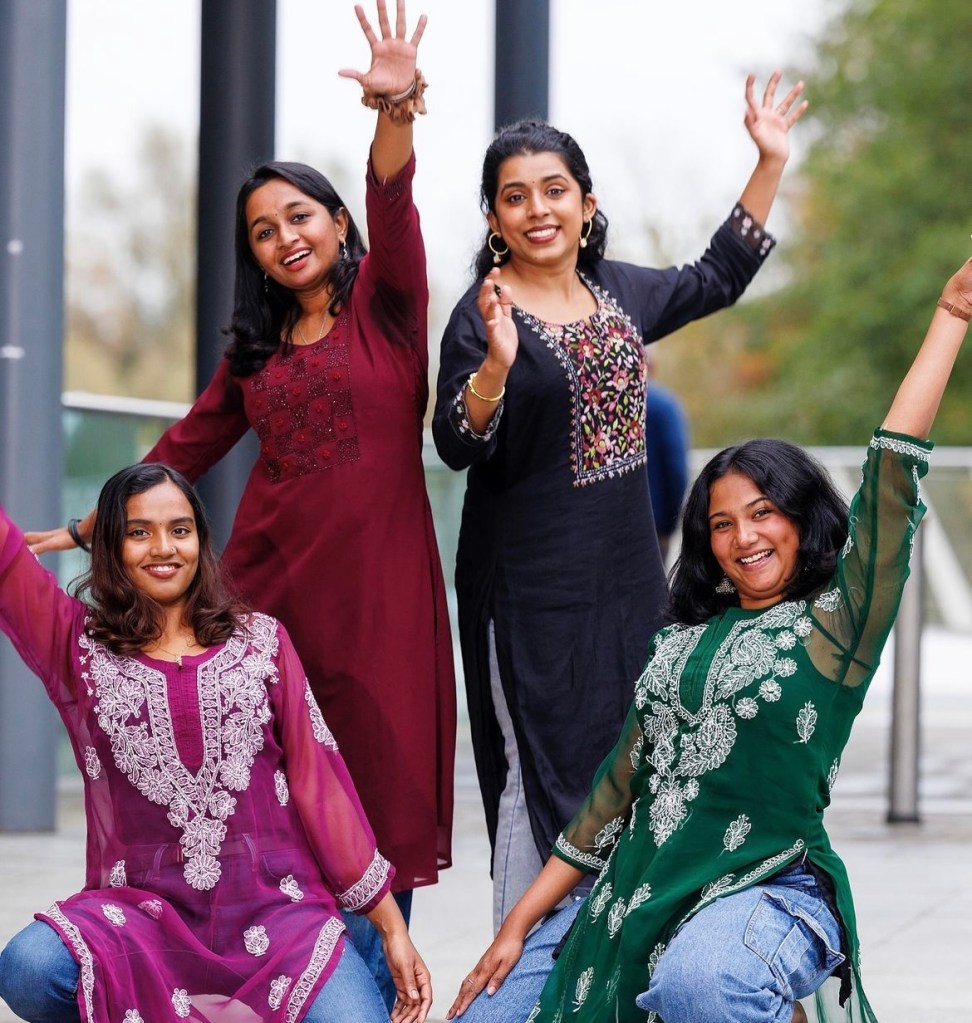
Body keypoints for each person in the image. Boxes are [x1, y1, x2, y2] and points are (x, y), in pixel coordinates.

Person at [26, 1, 455, 1006]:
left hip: (382, 608)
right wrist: (98, 522)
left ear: (335, 223)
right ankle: (244, 973)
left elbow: (395, 206)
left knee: (378, 798)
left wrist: (394, 113)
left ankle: (366, 984)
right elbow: (188, 442)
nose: (283, 238)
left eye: (299, 216)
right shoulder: (255, 353)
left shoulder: (390, 312)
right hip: (266, 598)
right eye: (263, 232)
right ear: (254, 256)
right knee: (265, 802)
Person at [445, 257, 972, 1023]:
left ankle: (779, 994)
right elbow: (604, 806)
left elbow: (891, 479)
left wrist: (951, 318)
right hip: (632, 895)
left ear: (799, 519)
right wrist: (515, 929)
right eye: (721, 523)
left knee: (703, 986)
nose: (743, 536)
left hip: (767, 884)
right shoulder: (678, 645)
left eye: (763, 513)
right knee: (482, 1014)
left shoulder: (836, 624)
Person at [432, 72, 807, 932]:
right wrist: (493, 365)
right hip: (527, 597)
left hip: (627, 587)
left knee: (637, 766)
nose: (537, 210)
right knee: (540, 781)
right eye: (515, 197)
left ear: (585, 203)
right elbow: (456, 442)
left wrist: (769, 160)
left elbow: (718, 275)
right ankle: (528, 973)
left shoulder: (618, 297)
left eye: (554, 191)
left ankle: (620, 959)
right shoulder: (481, 312)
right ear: (493, 219)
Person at [0, 463, 432, 1023]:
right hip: (141, 921)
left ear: (200, 540)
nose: (164, 548)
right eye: (139, 532)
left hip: (279, 919)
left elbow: (318, 784)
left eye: (180, 529)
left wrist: (391, 930)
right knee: (28, 968)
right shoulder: (77, 647)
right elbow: (9, 561)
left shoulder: (262, 642)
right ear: (110, 545)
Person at [644, 349, 690, 562]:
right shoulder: (663, 407)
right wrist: (671, 523)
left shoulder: (600, 406)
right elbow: (676, 468)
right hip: (655, 523)